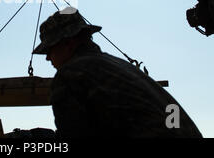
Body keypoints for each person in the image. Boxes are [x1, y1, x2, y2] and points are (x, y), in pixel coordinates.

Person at [32, 8, 203, 138]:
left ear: (68, 43)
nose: (48, 58)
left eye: (50, 50)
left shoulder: (71, 75)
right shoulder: (121, 66)